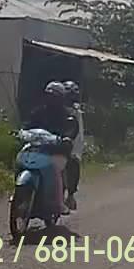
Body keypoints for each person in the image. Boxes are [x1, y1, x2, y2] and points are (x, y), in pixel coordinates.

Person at [29, 81, 78, 214]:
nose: (50, 99)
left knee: (57, 167)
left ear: (60, 98)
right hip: (38, 149)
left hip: (57, 151)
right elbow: (28, 125)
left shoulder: (67, 115)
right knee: (20, 160)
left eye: (54, 96)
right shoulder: (39, 112)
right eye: (48, 95)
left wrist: (66, 138)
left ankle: (59, 202)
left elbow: (72, 129)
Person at [61, 80, 84, 210]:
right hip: (55, 140)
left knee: (72, 165)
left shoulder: (76, 111)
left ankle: (70, 195)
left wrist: (74, 150)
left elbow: (78, 133)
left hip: (72, 142)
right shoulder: (55, 107)